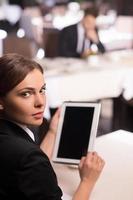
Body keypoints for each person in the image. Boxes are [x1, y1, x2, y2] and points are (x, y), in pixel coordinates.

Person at [0, 53, 105, 200]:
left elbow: (26, 169)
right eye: (26, 94)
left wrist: (53, 131)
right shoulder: (28, 157)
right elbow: (29, 160)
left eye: (42, 90)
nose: (40, 102)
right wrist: (88, 181)